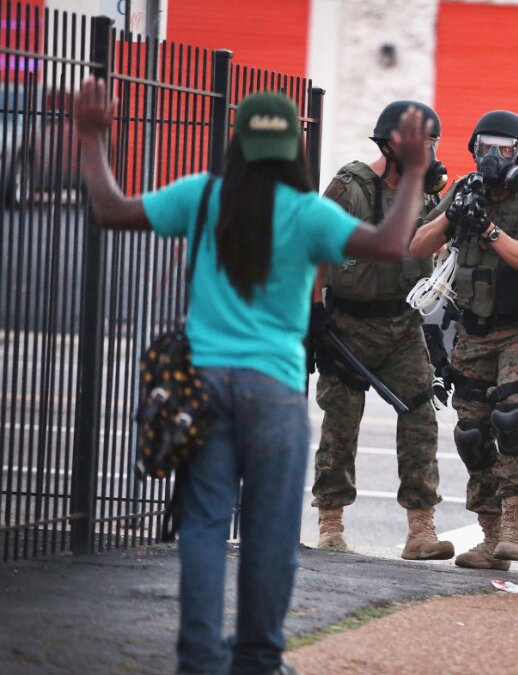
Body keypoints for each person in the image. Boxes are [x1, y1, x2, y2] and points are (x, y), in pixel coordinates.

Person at [74, 76, 433, 675]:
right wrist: (416, 169)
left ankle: (198, 660)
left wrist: (91, 139)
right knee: (269, 535)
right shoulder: (307, 212)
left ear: (236, 144)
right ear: (295, 149)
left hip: (204, 386)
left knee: (205, 528)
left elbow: (110, 209)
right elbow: (393, 244)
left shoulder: (202, 197)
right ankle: (259, 660)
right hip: (274, 391)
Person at [410, 110, 518, 570]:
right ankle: (491, 533)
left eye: (504, 148)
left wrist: (487, 229)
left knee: (509, 414)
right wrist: (453, 217)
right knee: (471, 431)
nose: (493, 157)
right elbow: (417, 246)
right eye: (484, 148)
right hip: (474, 330)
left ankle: (517, 527)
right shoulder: (464, 191)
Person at [309, 100, 454, 560]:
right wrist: (313, 315)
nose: (429, 153)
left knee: (420, 418)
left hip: (403, 324)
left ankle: (421, 529)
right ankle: (331, 523)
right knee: (340, 424)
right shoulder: (349, 188)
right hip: (347, 323)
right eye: (422, 143)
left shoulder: (425, 195)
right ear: (393, 144)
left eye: (432, 144)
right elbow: (313, 247)